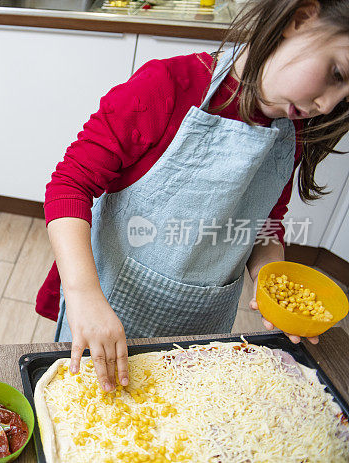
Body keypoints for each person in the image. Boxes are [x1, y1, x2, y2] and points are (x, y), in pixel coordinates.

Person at [38, 0, 349, 393]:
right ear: (300, 19)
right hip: (109, 306)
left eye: (344, 97)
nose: (328, 105)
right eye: (336, 73)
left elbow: (264, 221)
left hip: (203, 323)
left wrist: (272, 278)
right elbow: (69, 184)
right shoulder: (167, 86)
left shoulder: (293, 133)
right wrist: (84, 295)